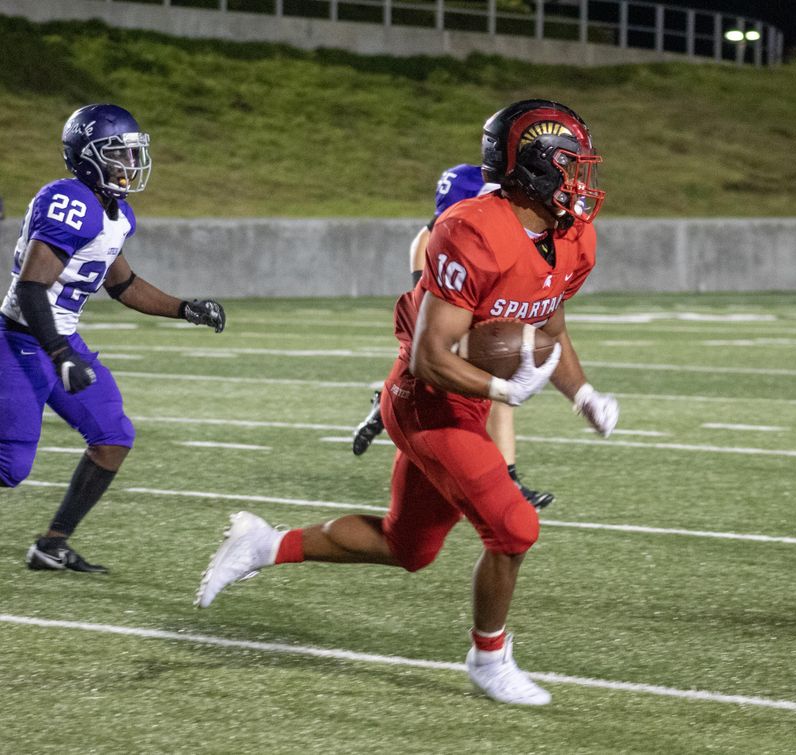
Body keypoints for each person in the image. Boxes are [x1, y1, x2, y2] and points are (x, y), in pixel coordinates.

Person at [195, 100, 619, 706]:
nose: (579, 183)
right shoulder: (472, 229)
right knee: (514, 527)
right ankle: (489, 657)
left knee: (407, 547)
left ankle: (265, 544)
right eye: (567, 166)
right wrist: (504, 390)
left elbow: (544, 314)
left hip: (464, 405)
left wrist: (582, 394)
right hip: (425, 402)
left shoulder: (572, 236)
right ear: (528, 169)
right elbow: (430, 356)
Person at [0, 103, 226, 573]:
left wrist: (186, 308)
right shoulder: (70, 199)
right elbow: (31, 286)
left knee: (112, 436)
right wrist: (61, 353)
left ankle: (52, 545)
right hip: (21, 340)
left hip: (58, 340)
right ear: (87, 156)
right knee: (10, 468)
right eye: (117, 154)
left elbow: (123, 284)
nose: (128, 164)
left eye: (130, 153)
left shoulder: (116, 213)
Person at [353, 163, 556, 510]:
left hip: (457, 303)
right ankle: (388, 403)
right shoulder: (456, 221)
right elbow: (432, 296)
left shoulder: (479, 213)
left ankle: (507, 478)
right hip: (436, 308)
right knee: (457, 372)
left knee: (492, 379)